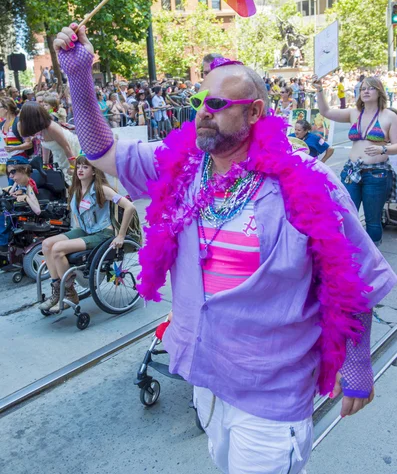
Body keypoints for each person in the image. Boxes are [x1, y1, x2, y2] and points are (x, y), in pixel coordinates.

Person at [55, 25, 397, 474]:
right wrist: (79, 77)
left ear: (254, 112)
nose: (202, 113)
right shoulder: (180, 166)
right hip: (205, 378)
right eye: (199, 102)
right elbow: (102, 153)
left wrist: (355, 365)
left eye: (217, 105)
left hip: (272, 393)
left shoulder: (306, 182)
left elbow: (352, 275)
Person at [39, 155, 135, 313]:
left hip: (102, 233)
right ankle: (57, 292)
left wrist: (121, 235)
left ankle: (70, 294)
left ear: (94, 171)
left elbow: (129, 207)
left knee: (58, 249)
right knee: (47, 244)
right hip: (86, 230)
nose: (80, 170)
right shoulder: (76, 190)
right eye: (78, 167)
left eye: (85, 167)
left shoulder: (102, 189)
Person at [314, 75, 397, 245]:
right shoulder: (354, 113)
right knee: (345, 215)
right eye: (363, 88)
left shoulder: (389, 116)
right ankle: (349, 256)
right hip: (351, 172)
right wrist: (320, 90)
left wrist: (383, 148)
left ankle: (373, 261)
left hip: (377, 174)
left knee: (372, 219)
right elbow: (325, 112)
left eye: (371, 88)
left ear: (379, 91)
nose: (366, 91)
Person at [19, 101, 80, 185]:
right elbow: (45, 145)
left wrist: (73, 167)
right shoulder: (38, 128)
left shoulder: (51, 128)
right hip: (59, 155)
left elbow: (67, 147)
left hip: (71, 153)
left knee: (73, 181)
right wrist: (45, 164)